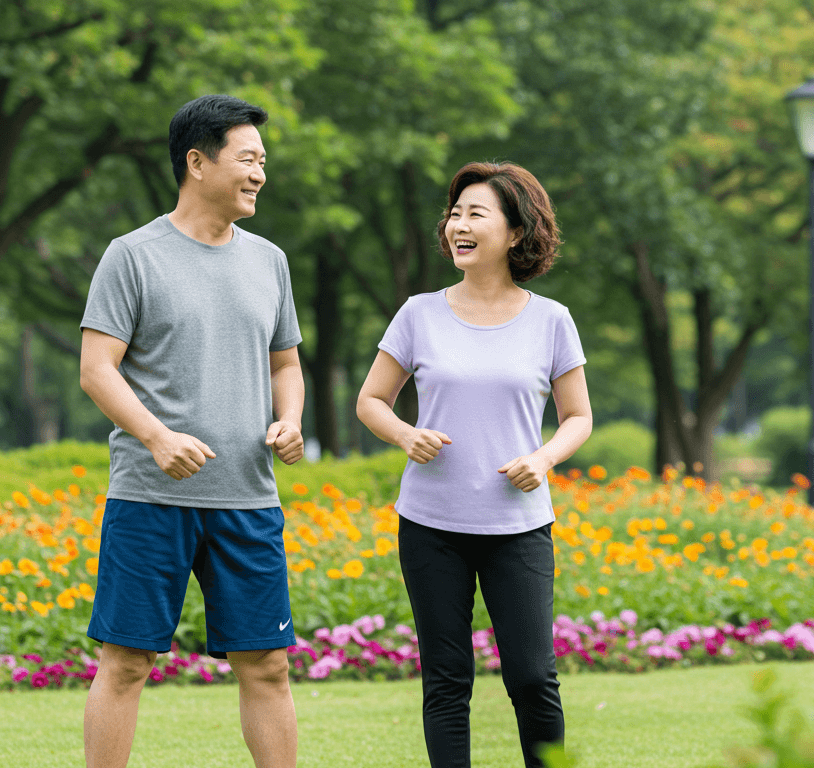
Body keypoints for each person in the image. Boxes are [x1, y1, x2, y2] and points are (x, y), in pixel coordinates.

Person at [78, 94, 305, 768]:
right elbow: (96, 369)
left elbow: (286, 363)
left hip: (248, 497)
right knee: (126, 662)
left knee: (267, 665)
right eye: (247, 158)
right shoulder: (132, 256)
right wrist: (157, 437)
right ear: (197, 163)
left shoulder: (269, 261)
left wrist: (290, 419)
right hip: (150, 497)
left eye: (263, 160)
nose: (260, 173)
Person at [356, 161, 593, 767]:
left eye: (475, 214)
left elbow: (577, 417)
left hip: (518, 525)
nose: (458, 225)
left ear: (515, 232)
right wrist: (406, 434)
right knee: (446, 679)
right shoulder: (418, 313)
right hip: (430, 525)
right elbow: (371, 400)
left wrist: (543, 458)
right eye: (454, 214)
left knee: (533, 677)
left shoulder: (551, 319)